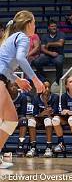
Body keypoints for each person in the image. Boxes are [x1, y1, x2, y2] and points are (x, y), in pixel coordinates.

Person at [0, 10, 44, 168]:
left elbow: (4, 68)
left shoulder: (11, 38)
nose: (35, 26)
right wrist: (35, 79)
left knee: (11, 119)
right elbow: (20, 58)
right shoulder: (24, 37)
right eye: (34, 22)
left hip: (2, 78)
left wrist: (17, 80)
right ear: (29, 24)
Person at [26, 81, 59, 158]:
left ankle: (48, 148)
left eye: (48, 87)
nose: (47, 89)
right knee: (31, 121)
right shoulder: (36, 98)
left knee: (47, 120)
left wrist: (49, 111)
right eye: (45, 87)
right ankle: (33, 147)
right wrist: (43, 113)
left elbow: (56, 112)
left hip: (49, 119)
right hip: (39, 119)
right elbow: (35, 114)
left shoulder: (55, 97)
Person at [32, 20, 65, 84]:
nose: (54, 28)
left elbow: (60, 43)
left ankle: (58, 79)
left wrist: (49, 44)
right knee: (36, 62)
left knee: (59, 61)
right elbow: (42, 48)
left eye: (55, 26)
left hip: (58, 54)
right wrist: (51, 53)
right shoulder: (45, 36)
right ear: (48, 27)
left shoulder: (61, 34)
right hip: (47, 55)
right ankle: (44, 78)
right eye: (52, 26)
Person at [8, 82, 28, 157]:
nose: (14, 87)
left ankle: (20, 146)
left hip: (18, 120)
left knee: (24, 120)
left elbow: (23, 114)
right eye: (11, 86)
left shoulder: (23, 97)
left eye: (16, 86)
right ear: (7, 88)